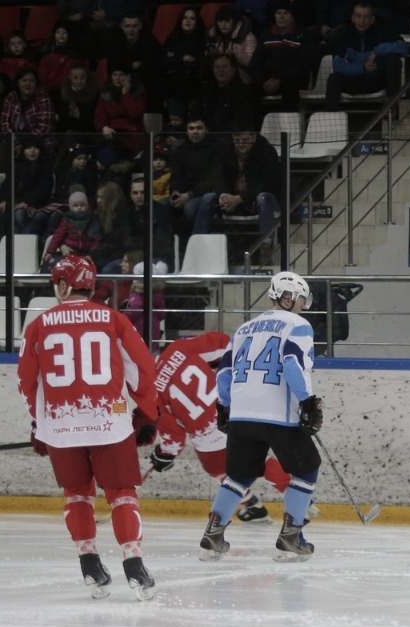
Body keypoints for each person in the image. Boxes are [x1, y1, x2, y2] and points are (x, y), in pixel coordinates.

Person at [16, 255, 159, 600]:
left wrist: (39, 422)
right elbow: (142, 370)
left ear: (64, 285)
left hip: (60, 425)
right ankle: (134, 567)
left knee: (77, 494)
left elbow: (26, 382)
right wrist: (146, 412)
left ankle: (90, 567)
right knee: (122, 494)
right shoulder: (114, 319)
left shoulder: (38, 324)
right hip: (111, 423)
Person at [198, 271, 323, 562]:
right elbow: (292, 363)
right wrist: (307, 402)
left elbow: (224, 373)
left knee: (239, 476)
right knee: (307, 469)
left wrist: (225, 407)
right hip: (279, 415)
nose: (303, 305)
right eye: (301, 299)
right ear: (289, 298)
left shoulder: (244, 329)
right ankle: (291, 535)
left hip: (242, 414)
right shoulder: (298, 325)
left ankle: (213, 534)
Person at [148, 331, 316, 523]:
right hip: (235, 409)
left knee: (218, 469)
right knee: (259, 459)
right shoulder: (178, 348)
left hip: (208, 435)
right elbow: (222, 343)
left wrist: (164, 454)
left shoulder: (153, 390)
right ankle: (301, 498)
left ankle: (252, 505)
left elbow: (173, 436)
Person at [325, 2, 407, 111]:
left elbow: (404, 48)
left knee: (394, 59)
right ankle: (331, 117)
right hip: (355, 81)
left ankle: (391, 110)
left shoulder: (383, 31)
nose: (361, 21)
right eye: (358, 16)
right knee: (333, 79)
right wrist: (363, 67)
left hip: (377, 81)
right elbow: (338, 66)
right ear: (353, 18)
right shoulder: (342, 34)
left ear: (372, 19)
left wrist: (378, 50)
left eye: (365, 17)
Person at [218, 127, 280, 265]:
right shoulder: (226, 151)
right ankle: (203, 245)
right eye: (237, 140)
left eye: (245, 140)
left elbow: (268, 183)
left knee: (263, 198)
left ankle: (266, 245)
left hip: (261, 198)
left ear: (253, 137)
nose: (241, 144)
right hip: (234, 198)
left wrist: (241, 198)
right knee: (208, 199)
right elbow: (218, 177)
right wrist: (224, 196)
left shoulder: (266, 151)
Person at [169, 116, 234, 239]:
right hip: (184, 194)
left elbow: (215, 179)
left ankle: (197, 241)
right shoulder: (181, 150)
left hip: (209, 193)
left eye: (199, 128)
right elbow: (176, 175)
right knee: (161, 205)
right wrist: (175, 191)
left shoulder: (216, 148)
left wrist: (190, 195)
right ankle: (168, 246)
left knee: (190, 208)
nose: (195, 131)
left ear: (206, 130)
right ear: (186, 130)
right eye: (191, 128)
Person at [250, 0, 321, 110]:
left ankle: (289, 121)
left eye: (286, 13)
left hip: (291, 80)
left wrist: (280, 79)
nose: (281, 17)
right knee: (250, 89)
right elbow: (256, 62)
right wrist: (263, 81)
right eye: (278, 13)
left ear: (292, 17)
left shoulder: (303, 35)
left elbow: (303, 64)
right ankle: (255, 121)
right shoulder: (265, 35)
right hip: (267, 80)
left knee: (290, 88)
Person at [41, 190, 101, 269]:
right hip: (69, 252)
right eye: (76, 206)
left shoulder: (92, 220)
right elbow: (57, 236)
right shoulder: (67, 220)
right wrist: (50, 252)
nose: (79, 207)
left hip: (86, 254)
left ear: (87, 206)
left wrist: (91, 254)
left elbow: (96, 239)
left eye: (82, 205)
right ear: (71, 207)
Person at [205, 5, 258, 85]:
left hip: (241, 76)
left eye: (227, 21)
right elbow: (208, 58)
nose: (223, 24)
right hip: (218, 77)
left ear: (234, 21)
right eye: (220, 21)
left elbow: (250, 62)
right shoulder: (214, 36)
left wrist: (232, 53)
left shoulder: (248, 37)